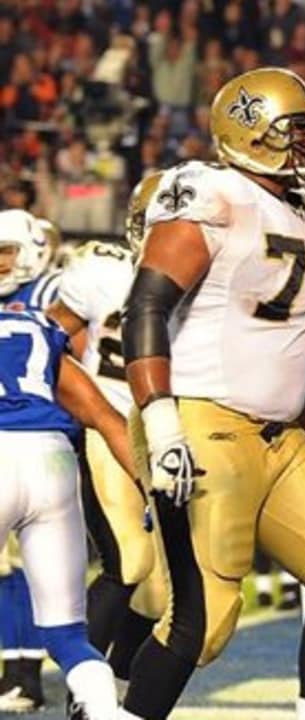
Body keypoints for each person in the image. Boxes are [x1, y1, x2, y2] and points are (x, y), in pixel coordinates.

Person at [119, 67, 305, 720]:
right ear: (253, 131)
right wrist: (163, 421)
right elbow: (145, 308)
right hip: (208, 421)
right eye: (298, 130)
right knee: (202, 617)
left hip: (283, 438)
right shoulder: (211, 194)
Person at [45, 174, 171, 689]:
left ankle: (115, 686)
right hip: (111, 425)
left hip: (176, 439)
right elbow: (47, 345)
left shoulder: (220, 282)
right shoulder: (100, 272)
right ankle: (83, 681)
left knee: (164, 595)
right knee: (131, 560)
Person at [1, 309, 140, 719]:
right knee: (68, 634)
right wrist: (153, 495)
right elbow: (106, 419)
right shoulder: (34, 328)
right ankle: (104, 711)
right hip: (52, 460)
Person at [0, 208, 60, 710]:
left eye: (6, 253)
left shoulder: (50, 295)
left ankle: (24, 671)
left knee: (26, 561)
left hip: (43, 443)